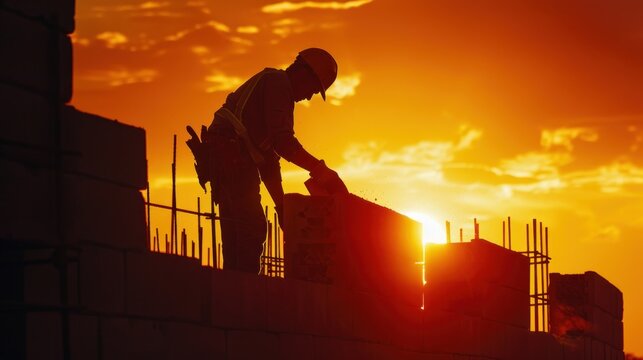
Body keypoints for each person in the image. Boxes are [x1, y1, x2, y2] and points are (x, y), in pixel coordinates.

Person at [186, 48, 348, 273]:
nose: (310, 96)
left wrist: (281, 206)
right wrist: (320, 169)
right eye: (313, 88)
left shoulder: (275, 90)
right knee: (250, 226)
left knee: (239, 228)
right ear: (303, 72)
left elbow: (268, 160)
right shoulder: (277, 82)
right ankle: (243, 288)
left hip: (230, 159)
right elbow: (283, 143)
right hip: (230, 156)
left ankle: (235, 285)